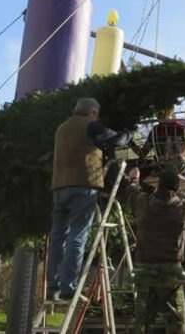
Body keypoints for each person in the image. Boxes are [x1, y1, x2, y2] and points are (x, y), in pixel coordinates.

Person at [47, 97, 135, 301]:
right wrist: (129, 134)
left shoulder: (62, 128)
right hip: (83, 185)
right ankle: (69, 287)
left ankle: (53, 287)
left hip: (59, 187)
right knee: (77, 235)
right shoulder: (90, 126)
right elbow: (117, 140)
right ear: (93, 112)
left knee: (58, 237)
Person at [126, 167, 185, 334]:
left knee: (142, 318)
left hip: (145, 267)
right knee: (176, 319)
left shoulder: (143, 202)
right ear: (176, 188)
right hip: (170, 270)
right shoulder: (184, 209)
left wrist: (134, 180)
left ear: (159, 185)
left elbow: (131, 192)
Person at [141, 109, 185, 175]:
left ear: (170, 113)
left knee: (179, 161)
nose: (159, 116)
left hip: (177, 165)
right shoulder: (155, 131)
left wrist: (170, 158)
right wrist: (131, 143)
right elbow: (143, 152)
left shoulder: (180, 129)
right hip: (160, 166)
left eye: (163, 113)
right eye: (158, 114)